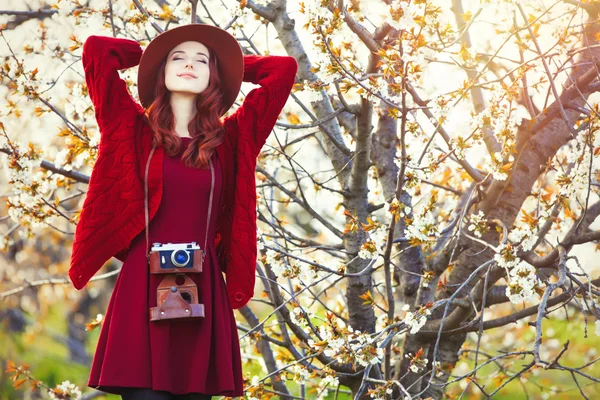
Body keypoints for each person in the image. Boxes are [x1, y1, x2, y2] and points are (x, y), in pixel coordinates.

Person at [71, 23, 298, 399]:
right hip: (141, 288)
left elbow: (282, 71)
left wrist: (232, 65)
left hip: (202, 287)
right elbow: (97, 51)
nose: (189, 64)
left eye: (201, 60)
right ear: (162, 70)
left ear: (214, 75)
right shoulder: (130, 129)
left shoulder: (232, 139)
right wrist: (150, 54)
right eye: (178, 58)